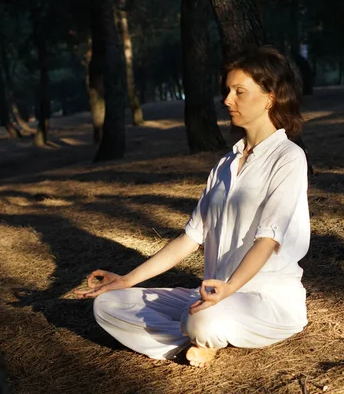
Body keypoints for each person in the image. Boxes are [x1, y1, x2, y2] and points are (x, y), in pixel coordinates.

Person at [74, 46, 310, 368]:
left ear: (270, 97)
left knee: (203, 319)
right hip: (211, 293)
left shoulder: (288, 158)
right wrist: (127, 279)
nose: (228, 100)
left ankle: (200, 331)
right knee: (107, 304)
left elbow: (268, 240)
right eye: (227, 91)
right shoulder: (225, 164)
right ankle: (196, 339)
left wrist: (229, 289)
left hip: (263, 299)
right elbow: (189, 238)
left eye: (239, 92)